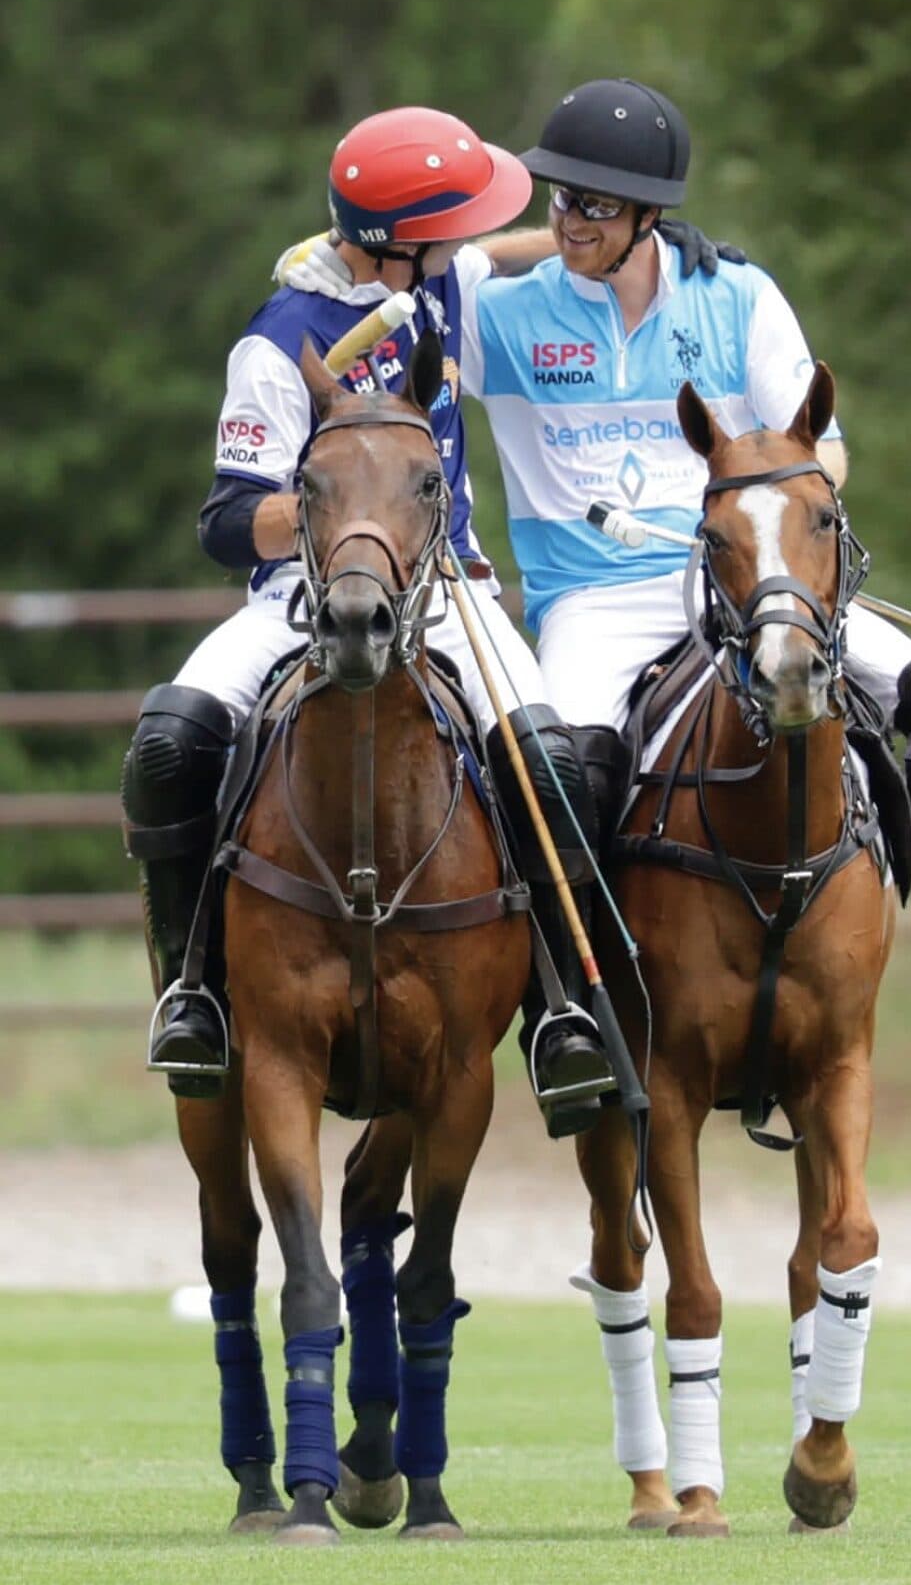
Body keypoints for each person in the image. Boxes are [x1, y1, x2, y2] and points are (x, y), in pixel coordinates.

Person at [281, 77, 911, 1056]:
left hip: (748, 578)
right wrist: (347, 250)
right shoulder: (498, 315)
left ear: (649, 215)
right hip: (594, 598)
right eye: (561, 198)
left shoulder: (740, 299)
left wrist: (766, 501)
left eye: (595, 204)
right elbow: (403, 280)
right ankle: (571, 1010)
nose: (569, 218)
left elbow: (828, 453)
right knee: (563, 771)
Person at [121, 106, 630, 1133]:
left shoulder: (434, 279)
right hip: (305, 598)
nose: (464, 238)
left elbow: (497, 249)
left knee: (553, 764)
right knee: (169, 741)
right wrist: (345, 520)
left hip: (450, 595)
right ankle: (194, 989)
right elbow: (227, 521)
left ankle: (557, 1008)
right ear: (399, 240)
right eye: (450, 223)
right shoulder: (278, 342)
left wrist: (629, 236)